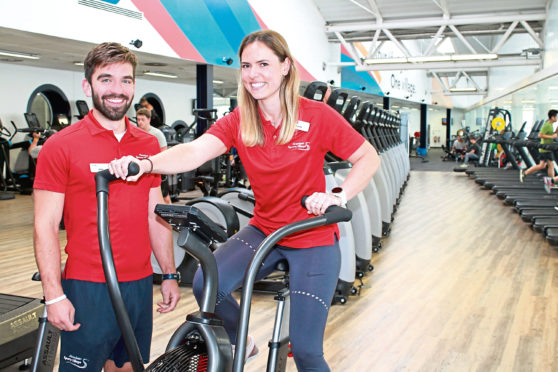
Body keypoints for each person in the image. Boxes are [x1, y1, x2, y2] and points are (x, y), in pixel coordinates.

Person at [109, 30, 380, 371]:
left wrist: (337, 194)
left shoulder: (317, 116)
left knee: (308, 351)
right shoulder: (241, 119)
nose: (254, 74)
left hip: (312, 238)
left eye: (264, 64)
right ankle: (242, 341)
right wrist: (147, 164)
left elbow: (368, 157)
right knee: (206, 282)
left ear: (286, 67)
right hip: (264, 231)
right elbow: (195, 151)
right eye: (247, 66)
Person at [33, 42, 180, 372]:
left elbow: (154, 213)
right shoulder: (61, 145)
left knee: (128, 367)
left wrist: (168, 272)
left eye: (126, 80)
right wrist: (54, 295)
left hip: (140, 282)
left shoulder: (148, 144)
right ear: (88, 85)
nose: (117, 90)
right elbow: (44, 226)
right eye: (106, 79)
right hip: (88, 286)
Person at [136, 107, 171, 204]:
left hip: (156, 170)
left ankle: (169, 218)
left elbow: (164, 153)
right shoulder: (136, 133)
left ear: (149, 119)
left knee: (165, 198)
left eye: (142, 120)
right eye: (138, 119)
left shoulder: (157, 134)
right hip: (142, 170)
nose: (140, 122)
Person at [520, 109, 558, 182]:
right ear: (552, 117)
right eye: (556, 117)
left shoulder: (550, 125)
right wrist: (552, 137)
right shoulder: (547, 125)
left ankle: (525, 173)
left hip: (545, 148)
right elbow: (540, 135)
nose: (557, 118)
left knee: (542, 165)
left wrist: (554, 134)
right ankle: (551, 181)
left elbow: (549, 134)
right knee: (551, 165)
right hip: (546, 148)